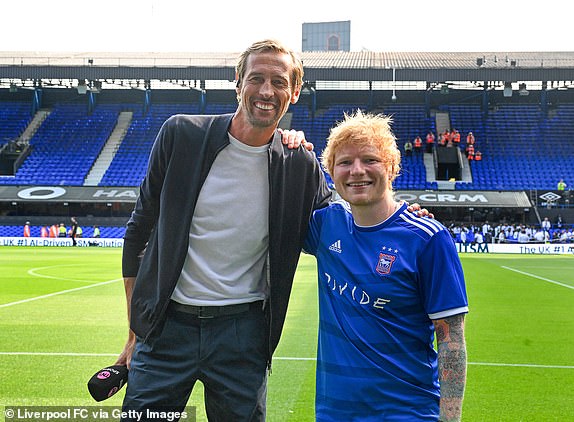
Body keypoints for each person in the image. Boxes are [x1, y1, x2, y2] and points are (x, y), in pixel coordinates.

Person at [116, 39, 332, 421]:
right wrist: (136, 328)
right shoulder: (180, 135)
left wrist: (403, 216)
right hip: (166, 329)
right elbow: (138, 230)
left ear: (294, 93)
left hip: (243, 335)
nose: (267, 91)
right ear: (238, 82)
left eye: (279, 82)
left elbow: (344, 223)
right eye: (257, 79)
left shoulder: (299, 163)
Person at [304, 110, 468, 421]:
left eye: (369, 160)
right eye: (344, 162)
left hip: (406, 412)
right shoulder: (324, 226)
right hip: (334, 413)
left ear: (391, 167)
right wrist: (287, 140)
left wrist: (450, 418)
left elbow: (452, 342)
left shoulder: (427, 239)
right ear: (331, 171)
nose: (357, 171)